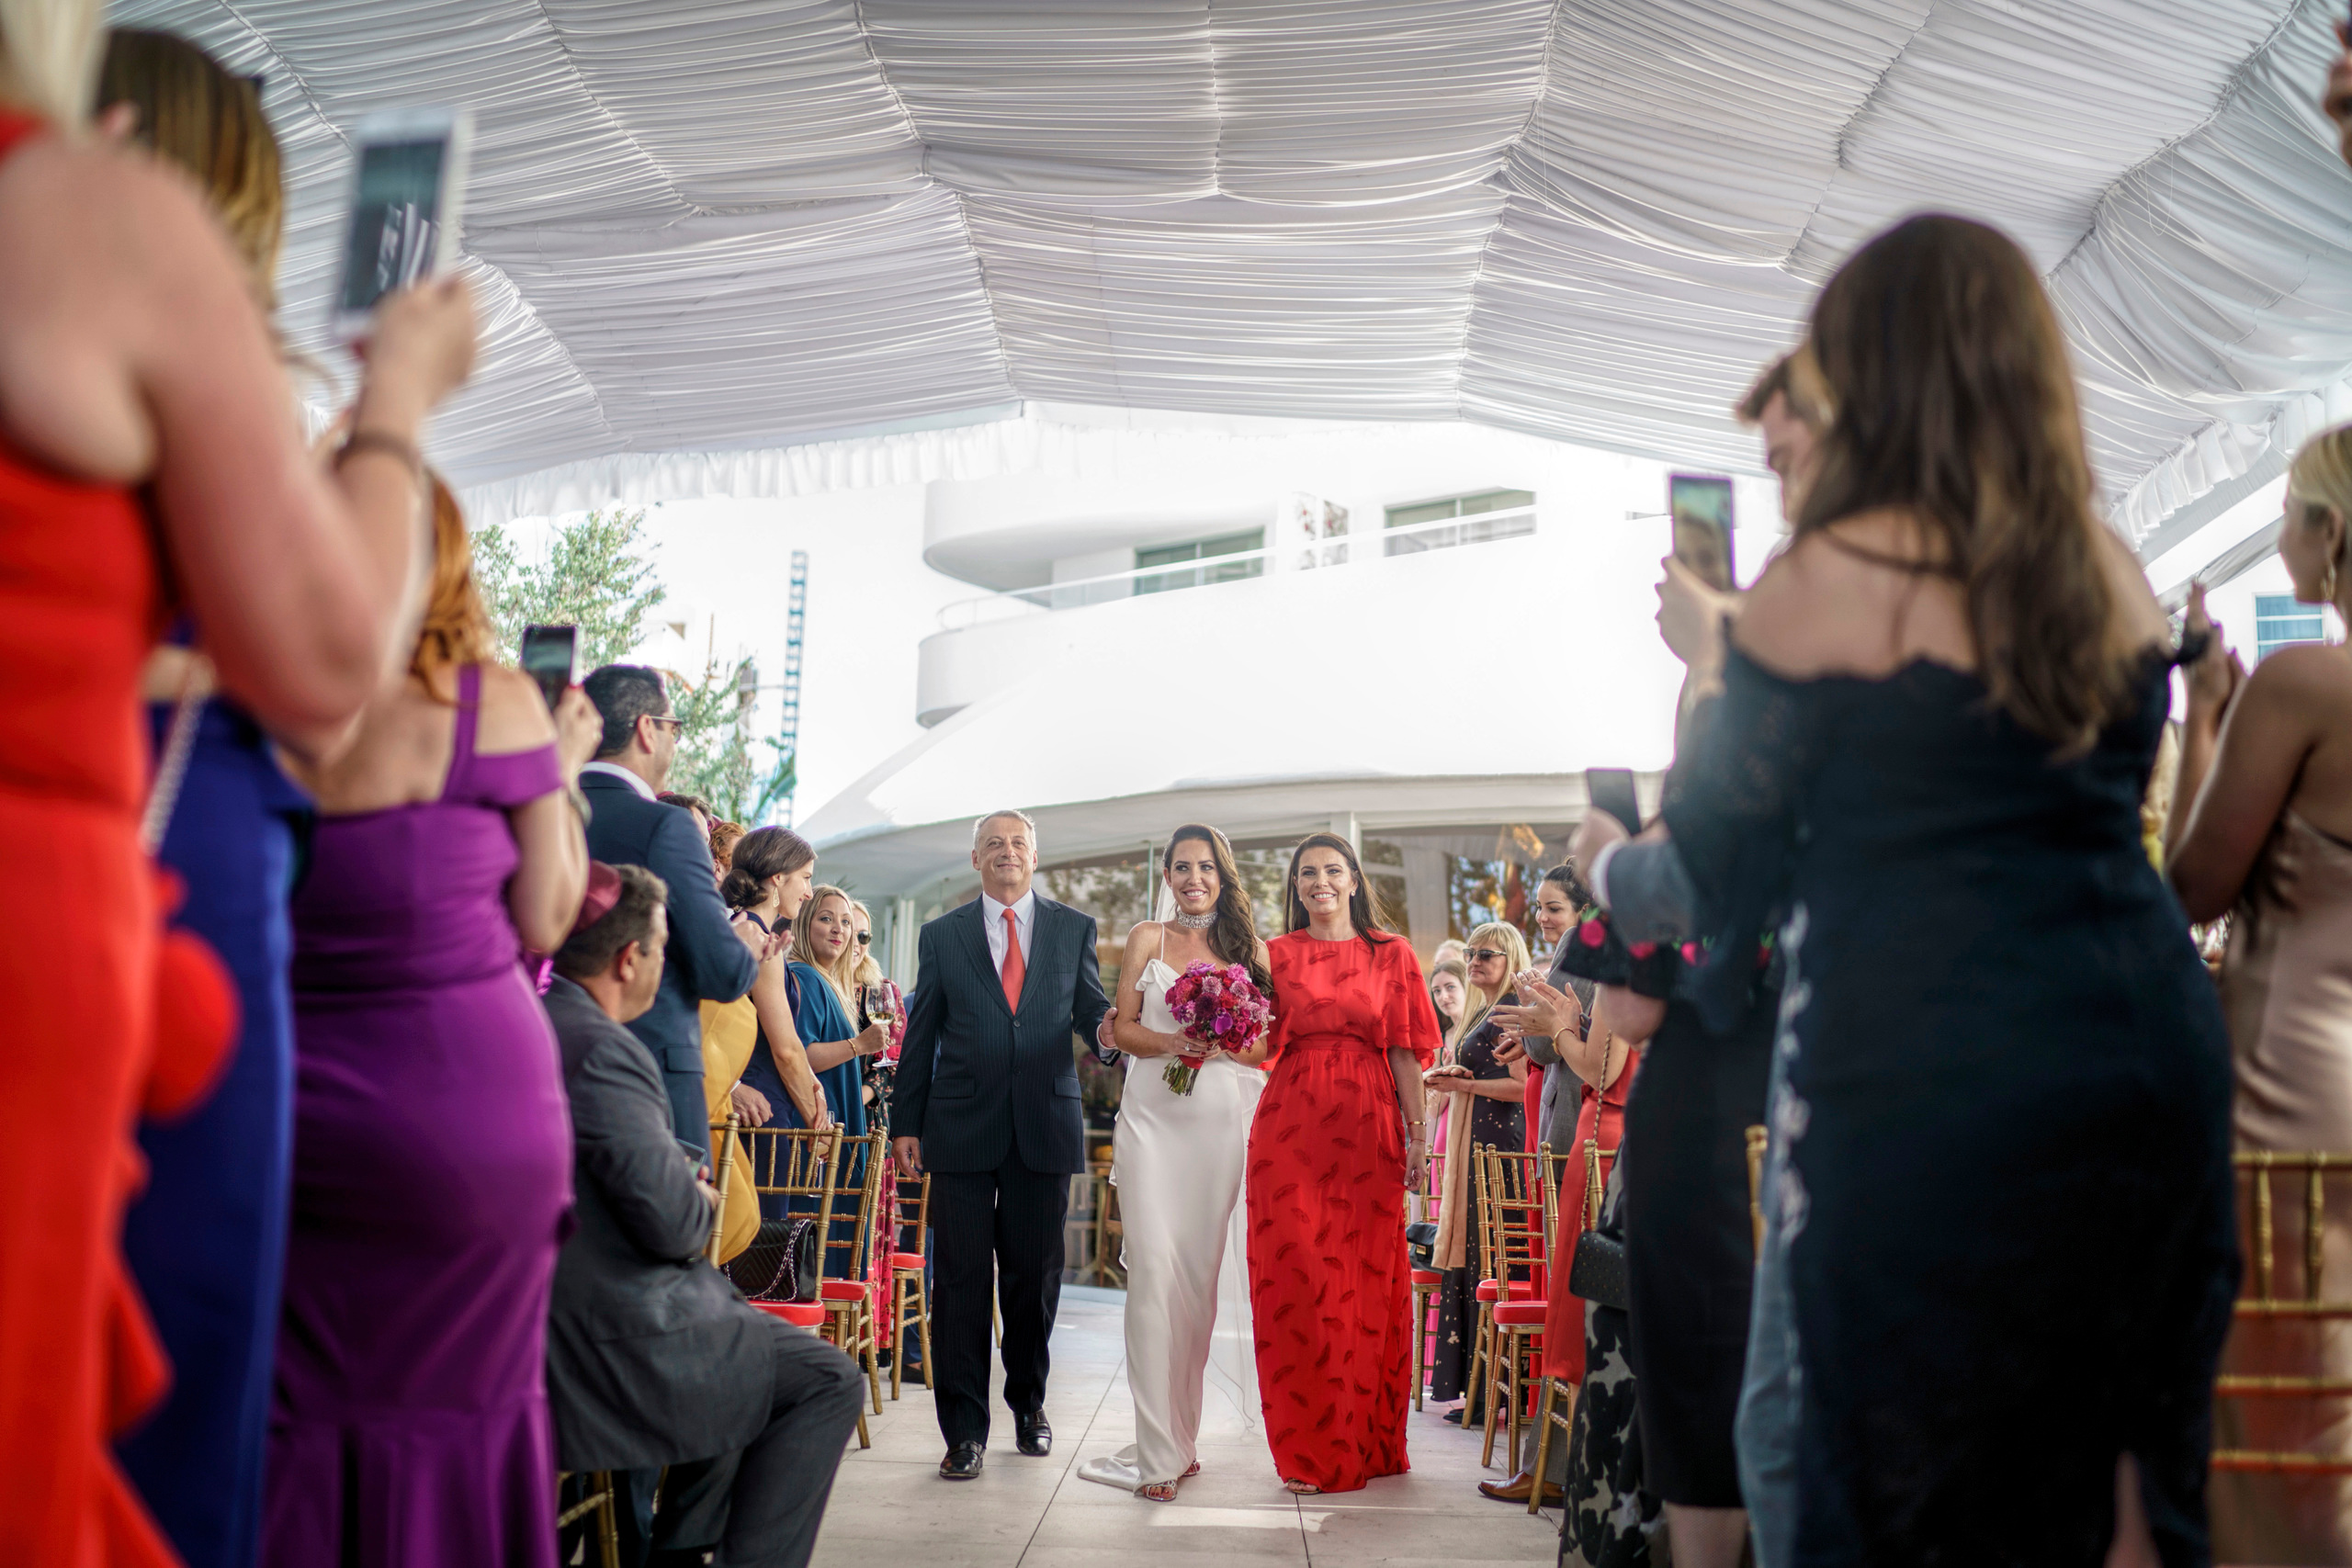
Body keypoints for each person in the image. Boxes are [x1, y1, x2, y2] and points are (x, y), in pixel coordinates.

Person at [1573, 215, 2236, 1563]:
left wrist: (1598, 854)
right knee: (2121, 1465)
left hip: (1928, 1064)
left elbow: (1703, 880)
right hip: (2141, 1047)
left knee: (1901, 1458)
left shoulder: (1831, 580)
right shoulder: (2099, 567)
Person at [0, 7, 472, 1557]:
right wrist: (395, 403)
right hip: (131, 868)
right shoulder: (105, 236)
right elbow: (331, 668)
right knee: (142, 1388)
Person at [269, 479, 599, 1565]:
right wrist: (557, 765)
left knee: (291, 1409)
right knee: (466, 1415)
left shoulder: (250, 702)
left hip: (282, 1114)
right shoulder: (492, 704)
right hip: (468, 1121)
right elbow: (547, 913)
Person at [93, 32, 312, 1568]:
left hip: (133, 834)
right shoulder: (212, 392)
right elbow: (322, 674)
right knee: (173, 1334)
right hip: (174, 865)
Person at [545, 861, 865, 1568]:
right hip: (608, 1327)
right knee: (828, 1379)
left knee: (744, 1353)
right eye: (664, 951)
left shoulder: (547, 1022)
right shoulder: (605, 1052)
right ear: (631, 958)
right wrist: (701, 1192)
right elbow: (677, 1222)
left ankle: (684, 1546)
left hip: (584, 1301)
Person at [2167, 424, 2352, 1562]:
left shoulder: (2302, 685)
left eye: (2289, 511)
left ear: (2328, 534)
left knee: (2272, 1423)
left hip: (2284, 1096)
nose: (2279, 533)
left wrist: (2204, 718)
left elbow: (2190, 886)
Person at [890, 809, 1113, 1480]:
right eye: (994, 844)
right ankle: (963, 1432)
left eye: (1018, 843)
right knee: (958, 1280)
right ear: (976, 859)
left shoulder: (1074, 929)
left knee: (1034, 1280)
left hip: (1044, 1125)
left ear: (1035, 857)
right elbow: (921, 1032)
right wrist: (907, 1122)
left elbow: (1091, 1014)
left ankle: (1029, 1406)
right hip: (957, 1129)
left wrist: (1128, 1035)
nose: (1006, 852)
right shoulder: (942, 934)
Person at [1078, 826, 1272, 1502]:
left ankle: (1182, 1440)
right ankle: (1157, 1453)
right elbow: (1123, 1026)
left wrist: (1225, 1040)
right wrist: (1174, 1040)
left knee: (1195, 1290)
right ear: (1167, 872)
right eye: (1183, 866)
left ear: (1224, 875)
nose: (1195, 876)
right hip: (1151, 1120)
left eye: (1207, 866)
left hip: (1217, 1125)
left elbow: (1263, 1051)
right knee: (1153, 1274)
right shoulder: (1145, 938)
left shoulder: (1248, 949)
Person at [1248, 832, 1440, 1495]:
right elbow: (1254, 1047)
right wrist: (1206, 1026)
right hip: (1289, 1131)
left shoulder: (1393, 954)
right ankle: (1309, 1447)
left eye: (1332, 870)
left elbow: (1408, 1055)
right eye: (1307, 873)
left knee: (1361, 1287)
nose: (1320, 881)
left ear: (1355, 879)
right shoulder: (1273, 954)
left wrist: (1417, 1139)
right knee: (1297, 1280)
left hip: (1367, 1131)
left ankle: (1368, 1440)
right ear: (1295, 885)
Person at [582, 664, 759, 1154]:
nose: (675, 743)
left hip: (538, 1058)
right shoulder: (666, 827)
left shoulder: (541, 811)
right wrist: (742, 946)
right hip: (648, 1075)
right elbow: (721, 971)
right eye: (674, 729)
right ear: (646, 728)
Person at [1424, 922, 1529, 1419]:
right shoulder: (1482, 1011)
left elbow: (1521, 1087)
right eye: (1470, 952)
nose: (1475, 961)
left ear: (1510, 958)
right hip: (1475, 1142)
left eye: (1487, 953)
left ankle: (1497, 1393)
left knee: (1492, 1253)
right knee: (1473, 1250)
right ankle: (1478, 1390)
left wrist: (1463, 1087)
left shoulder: (1511, 1011)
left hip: (1498, 1147)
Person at [1427, 956, 1470, 1043]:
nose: (1443, 997)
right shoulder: (1440, 1039)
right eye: (1437, 991)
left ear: (1467, 987)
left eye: (1450, 987)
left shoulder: (1486, 1030)